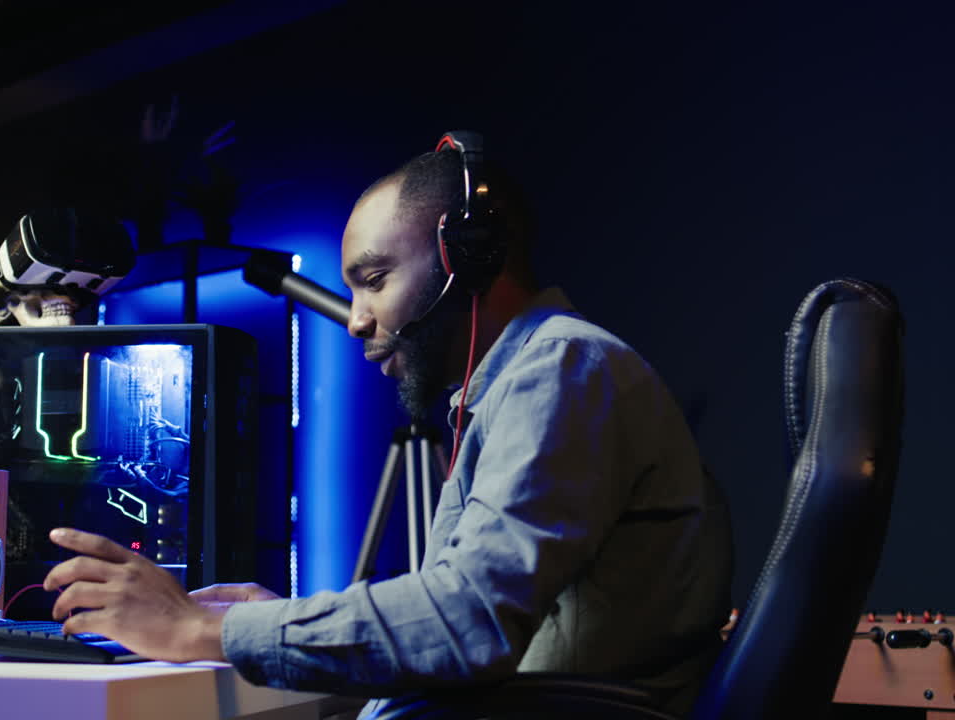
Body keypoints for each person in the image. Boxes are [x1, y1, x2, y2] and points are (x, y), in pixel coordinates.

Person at [42, 135, 734, 717]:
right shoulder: (533, 380)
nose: (356, 319)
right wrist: (264, 619)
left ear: (463, 259)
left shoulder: (561, 368)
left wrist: (203, 629)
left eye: (373, 278)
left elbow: (467, 623)